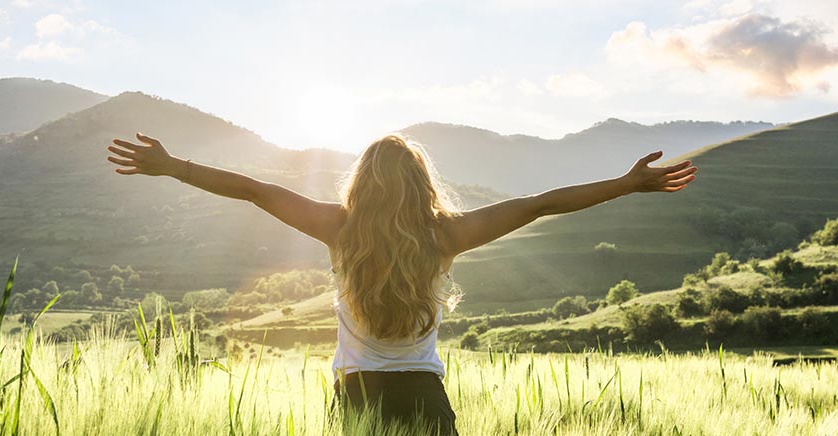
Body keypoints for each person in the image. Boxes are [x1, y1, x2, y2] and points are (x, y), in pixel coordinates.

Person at [106, 132, 697, 435]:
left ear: (362, 184)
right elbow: (541, 203)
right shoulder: (447, 236)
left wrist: (173, 166)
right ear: (422, 185)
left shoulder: (337, 229)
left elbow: (256, 191)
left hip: (357, 400)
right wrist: (625, 184)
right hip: (426, 401)